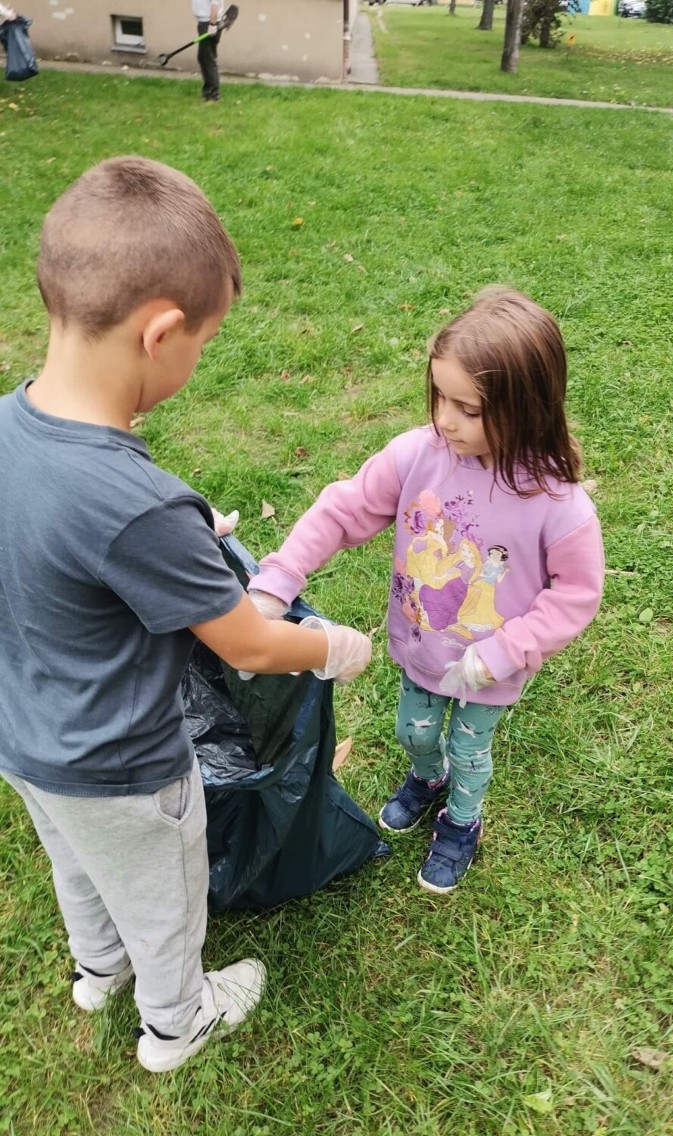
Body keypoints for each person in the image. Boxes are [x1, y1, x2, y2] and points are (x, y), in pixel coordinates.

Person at [0, 156, 372, 1073]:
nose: (200, 357)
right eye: (206, 339)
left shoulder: (11, 429)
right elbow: (246, 642)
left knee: (78, 866)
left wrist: (175, 533)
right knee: (164, 891)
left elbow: (61, 542)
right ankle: (177, 1019)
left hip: (25, 741)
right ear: (161, 333)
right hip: (126, 766)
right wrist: (333, 647)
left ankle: (98, 971)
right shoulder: (138, 506)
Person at [245, 287, 605, 894]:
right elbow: (343, 509)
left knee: (470, 750)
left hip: (489, 666)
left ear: (527, 406)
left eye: (467, 407)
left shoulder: (559, 505)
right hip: (421, 642)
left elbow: (577, 594)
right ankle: (426, 779)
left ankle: (462, 820)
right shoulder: (419, 454)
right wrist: (280, 577)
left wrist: (504, 651)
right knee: (413, 731)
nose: (444, 418)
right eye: (440, 396)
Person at [191, 0, 220, 102]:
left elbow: (215, 3)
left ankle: (213, 95)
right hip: (204, 22)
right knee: (203, 57)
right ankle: (207, 92)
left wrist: (212, 24)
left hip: (209, 23)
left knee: (208, 58)